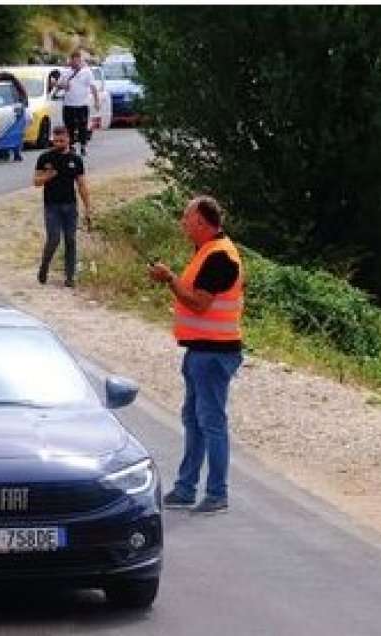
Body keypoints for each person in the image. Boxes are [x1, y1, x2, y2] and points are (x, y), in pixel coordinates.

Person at [147, 196, 244, 515]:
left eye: (187, 219)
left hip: (214, 353)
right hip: (201, 349)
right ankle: (187, 488)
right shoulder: (208, 252)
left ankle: (217, 493)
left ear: (202, 222)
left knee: (210, 422)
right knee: (194, 419)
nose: (183, 223)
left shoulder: (220, 257)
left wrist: (170, 279)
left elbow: (199, 303)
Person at [33, 125, 92, 288]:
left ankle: (70, 276)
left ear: (68, 139)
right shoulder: (45, 158)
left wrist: (88, 207)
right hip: (52, 206)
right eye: (56, 140)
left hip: (70, 205)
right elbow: (36, 182)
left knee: (71, 240)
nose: (58, 143)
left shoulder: (76, 160)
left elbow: (81, 185)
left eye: (62, 140)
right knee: (53, 239)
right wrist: (47, 176)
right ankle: (44, 265)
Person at [0, 69, 30, 161]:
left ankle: (16, 153)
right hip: (4, 108)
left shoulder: (7, 78)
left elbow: (21, 89)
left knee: (17, 131)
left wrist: (23, 102)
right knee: (1, 131)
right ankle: (2, 153)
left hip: (16, 106)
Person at [57, 50, 99, 156]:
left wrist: (96, 101)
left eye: (77, 60)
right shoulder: (65, 72)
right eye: (73, 60)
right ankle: (71, 146)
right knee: (69, 126)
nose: (75, 63)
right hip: (68, 104)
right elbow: (60, 85)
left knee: (82, 126)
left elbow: (93, 86)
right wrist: (61, 86)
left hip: (82, 104)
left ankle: (83, 145)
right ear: (70, 60)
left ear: (80, 61)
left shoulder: (86, 72)